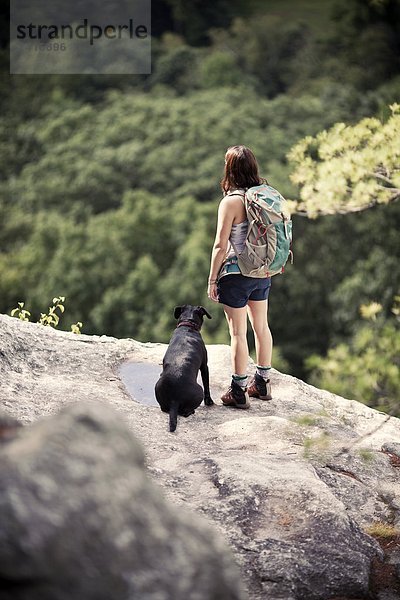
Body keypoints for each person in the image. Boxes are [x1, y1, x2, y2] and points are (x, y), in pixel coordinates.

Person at [208, 145, 273, 409]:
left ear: (230, 169)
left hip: (236, 275)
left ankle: (238, 391)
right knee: (261, 327)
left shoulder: (231, 202)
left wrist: (213, 280)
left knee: (238, 333)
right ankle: (263, 383)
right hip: (262, 271)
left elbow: (220, 246)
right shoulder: (265, 196)